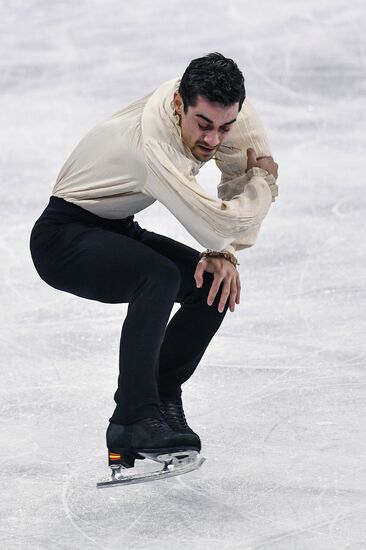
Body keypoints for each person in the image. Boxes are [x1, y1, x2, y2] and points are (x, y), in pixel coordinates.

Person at [29, 52, 278, 471]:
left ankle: (160, 399)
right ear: (180, 103)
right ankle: (131, 420)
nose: (214, 140)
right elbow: (221, 217)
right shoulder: (153, 144)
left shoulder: (229, 111)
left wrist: (226, 252)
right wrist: (262, 188)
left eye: (225, 127)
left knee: (209, 287)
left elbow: (238, 179)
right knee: (159, 277)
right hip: (63, 238)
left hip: (116, 226)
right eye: (203, 125)